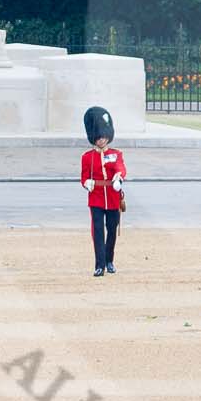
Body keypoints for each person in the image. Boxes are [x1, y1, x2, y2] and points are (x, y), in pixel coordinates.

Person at [81, 106, 125, 277]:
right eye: (98, 138)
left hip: (112, 197)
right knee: (98, 231)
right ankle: (99, 265)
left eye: (104, 137)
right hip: (96, 198)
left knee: (112, 231)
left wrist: (119, 177)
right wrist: (87, 183)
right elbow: (84, 177)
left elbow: (120, 167)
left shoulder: (116, 154)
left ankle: (109, 261)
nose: (101, 140)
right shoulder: (87, 157)